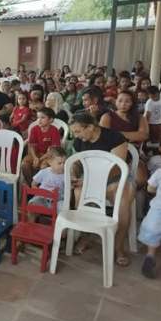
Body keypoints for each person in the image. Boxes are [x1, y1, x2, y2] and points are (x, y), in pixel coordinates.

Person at [70, 112, 134, 266]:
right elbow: (77, 162)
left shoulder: (114, 137)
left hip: (115, 179)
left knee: (122, 200)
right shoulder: (79, 141)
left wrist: (91, 180)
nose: (76, 136)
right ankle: (86, 235)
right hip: (90, 178)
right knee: (78, 193)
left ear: (91, 127)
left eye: (78, 131)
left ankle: (118, 247)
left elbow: (117, 168)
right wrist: (73, 173)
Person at [21, 108, 61, 185]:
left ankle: (42, 186)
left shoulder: (54, 130)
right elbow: (31, 145)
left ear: (51, 120)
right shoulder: (34, 129)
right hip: (35, 154)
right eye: (38, 117)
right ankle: (31, 185)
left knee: (44, 167)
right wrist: (35, 157)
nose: (39, 120)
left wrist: (40, 159)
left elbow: (53, 150)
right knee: (24, 164)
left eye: (42, 118)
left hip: (49, 156)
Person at [139, 167, 161, 278]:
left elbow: (150, 188)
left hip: (159, 210)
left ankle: (150, 256)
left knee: (153, 235)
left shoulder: (160, 172)